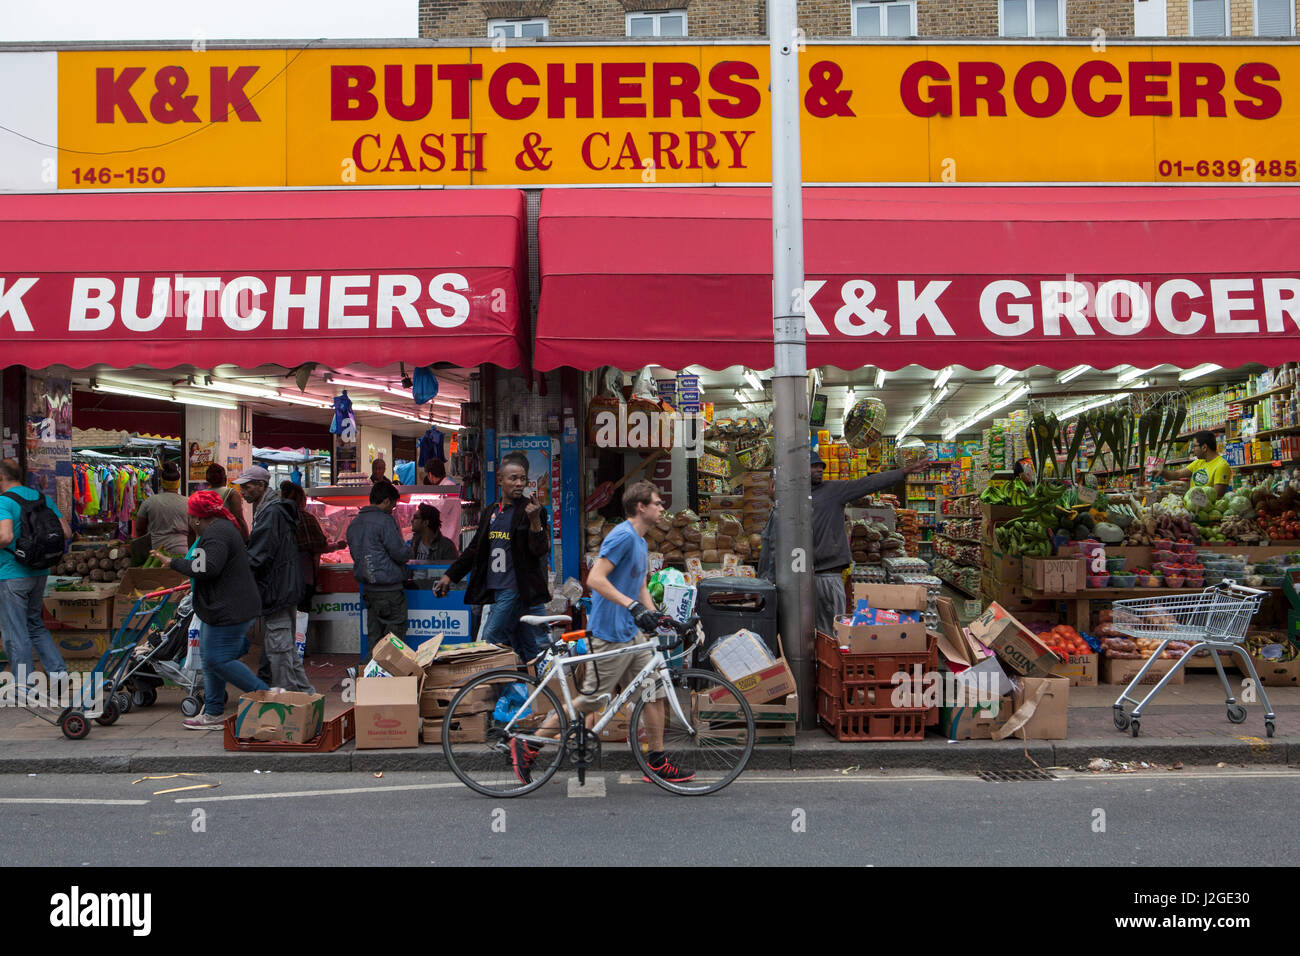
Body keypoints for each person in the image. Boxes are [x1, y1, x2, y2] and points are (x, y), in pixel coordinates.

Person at [519, 481, 690, 786]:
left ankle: (658, 762)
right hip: (610, 633)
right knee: (591, 700)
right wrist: (631, 607)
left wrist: (655, 615)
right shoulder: (622, 536)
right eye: (657, 503)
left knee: (654, 693)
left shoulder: (640, 541)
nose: (662, 507)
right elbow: (596, 579)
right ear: (641, 507)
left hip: (632, 633)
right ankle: (529, 744)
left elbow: (638, 586)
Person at [158, 491, 268, 730]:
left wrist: (173, 563)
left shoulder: (217, 533)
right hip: (220, 607)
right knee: (209, 661)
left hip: (228, 608)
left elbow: (208, 567)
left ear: (197, 518)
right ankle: (213, 711)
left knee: (219, 660)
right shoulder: (219, 529)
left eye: (190, 516)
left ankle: (266, 696)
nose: (188, 520)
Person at [435, 451, 551, 667]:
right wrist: (450, 576)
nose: (519, 483)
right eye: (513, 478)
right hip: (496, 590)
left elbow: (540, 550)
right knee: (526, 648)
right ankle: (537, 689)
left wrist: (535, 522)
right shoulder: (491, 512)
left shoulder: (531, 510)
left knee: (489, 640)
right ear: (500, 480)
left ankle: (476, 692)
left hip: (515, 589)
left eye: (523, 479)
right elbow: (474, 549)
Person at [806, 448, 930, 638]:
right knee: (808, 633)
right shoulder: (794, 497)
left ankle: (831, 664)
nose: (819, 469)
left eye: (820, 466)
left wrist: (905, 471)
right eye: (813, 466)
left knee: (832, 631)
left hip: (829, 574)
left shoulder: (833, 490)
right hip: (802, 578)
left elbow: (869, 483)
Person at [232, 465, 314, 695]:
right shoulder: (272, 510)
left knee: (280, 647)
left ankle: (291, 699)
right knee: (284, 647)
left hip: (277, 588)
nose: (243, 492)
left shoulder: (270, 513)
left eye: (247, 486)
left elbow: (259, 555)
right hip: (284, 586)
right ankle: (305, 696)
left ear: (261, 485)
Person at [0, 459, 70, 688]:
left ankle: (25, 686)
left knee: (15, 631)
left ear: (1, 478)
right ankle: (59, 676)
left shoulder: (4, 502)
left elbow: (6, 537)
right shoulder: (42, 498)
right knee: (35, 624)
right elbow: (66, 532)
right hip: (40, 571)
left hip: (12, 573)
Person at [346, 481, 411, 647]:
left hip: (369, 589)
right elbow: (400, 553)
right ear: (387, 501)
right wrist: (409, 549)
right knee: (394, 642)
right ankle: (391, 672)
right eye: (393, 506)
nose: (392, 510)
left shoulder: (354, 523)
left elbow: (355, 554)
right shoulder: (385, 521)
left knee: (375, 640)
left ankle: (370, 671)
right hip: (389, 590)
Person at [281, 482, 329, 612]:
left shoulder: (275, 516)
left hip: (280, 581)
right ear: (301, 500)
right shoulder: (306, 518)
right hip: (303, 578)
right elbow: (320, 547)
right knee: (301, 617)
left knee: (283, 619)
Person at [135, 462, 189, 554]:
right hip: (183, 550)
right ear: (178, 483)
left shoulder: (149, 502)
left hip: (156, 552)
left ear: (162, 482)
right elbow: (193, 530)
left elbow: (140, 529)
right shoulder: (189, 502)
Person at [1160, 430, 1232, 498]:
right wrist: (1161, 472)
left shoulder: (1221, 466)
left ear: (1204, 447)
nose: (1193, 450)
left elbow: (1217, 495)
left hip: (1207, 509)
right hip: (1194, 508)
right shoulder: (1198, 462)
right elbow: (1177, 474)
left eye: (1194, 446)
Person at [206, 463, 249, 542]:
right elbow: (239, 519)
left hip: (204, 539)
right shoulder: (231, 493)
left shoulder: (199, 495)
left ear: (207, 480)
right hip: (225, 540)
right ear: (225, 478)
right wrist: (246, 540)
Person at [425, 459, 461, 544]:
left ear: (430, 474)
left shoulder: (448, 487)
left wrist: (426, 502)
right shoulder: (444, 487)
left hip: (448, 537)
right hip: (446, 536)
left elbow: (438, 511)